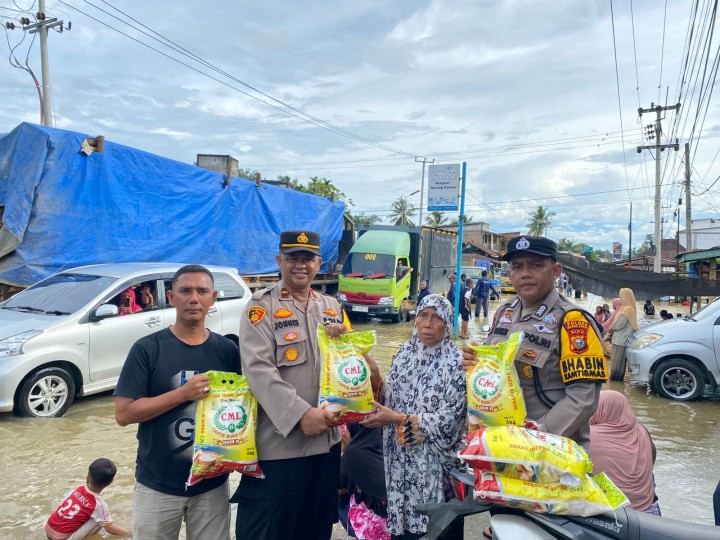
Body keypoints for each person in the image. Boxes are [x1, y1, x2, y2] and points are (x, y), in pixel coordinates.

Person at [232, 230, 350, 540]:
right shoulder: (262, 307)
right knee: (270, 531)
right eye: (293, 258)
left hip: (326, 445)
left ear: (319, 263)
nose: (301, 265)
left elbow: (347, 367)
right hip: (280, 448)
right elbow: (258, 369)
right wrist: (301, 415)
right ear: (279, 261)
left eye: (308, 258)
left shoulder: (331, 307)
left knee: (315, 528)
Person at [114, 264, 240, 540]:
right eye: (185, 291)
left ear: (214, 297)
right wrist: (181, 394)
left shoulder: (228, 351)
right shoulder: (147, 349)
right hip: (157, 485)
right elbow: (123, 414)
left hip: (212, 484)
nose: (194, 298)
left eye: (202, 291)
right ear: (171, 297)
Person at [463, 235, 606, 450]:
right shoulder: (504, 312)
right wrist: (475, 364)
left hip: (551, 453)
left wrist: (535, 437)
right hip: (500, 445)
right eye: (517, 267)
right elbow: (498, 376)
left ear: (556, 271)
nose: (526, 274)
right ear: (509, 273)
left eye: (537, 265)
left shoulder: (573, 321)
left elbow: (583, 400)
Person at [362, 294, 466, 539]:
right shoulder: (404, 354)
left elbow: (451, 421)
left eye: (437, 318)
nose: (428, 323)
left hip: (435, 468)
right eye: (422, 315)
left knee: (435, 528)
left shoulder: (456, 363)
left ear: (448, 323)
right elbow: (392, 398)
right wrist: (376, 376)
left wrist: (398, 419)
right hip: (400, 462)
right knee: (403, 527)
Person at [588, 391, 661, 515]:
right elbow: (651, 462)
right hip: (649, 510)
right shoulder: (642, 431)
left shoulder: (589, 435)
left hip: (612, 514)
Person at [45, 458, 130, 540]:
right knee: (101, 519)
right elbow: (110, 529)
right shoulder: (98, 504)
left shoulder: (78, 489)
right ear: (110, 482)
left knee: (96, 515)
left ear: (87, 477)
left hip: (48, 528)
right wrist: (129, 534)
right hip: (61, 538)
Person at [607, 288, 638, 381]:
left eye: (621, 295)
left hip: (620, 340)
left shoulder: (627, 309)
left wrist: (610, 329)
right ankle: (617, 384)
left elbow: (619, 324)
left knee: (617, 363)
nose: (620, 298)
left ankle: (615, 383)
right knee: (619, 363)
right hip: (621, 339)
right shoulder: (628, 308)